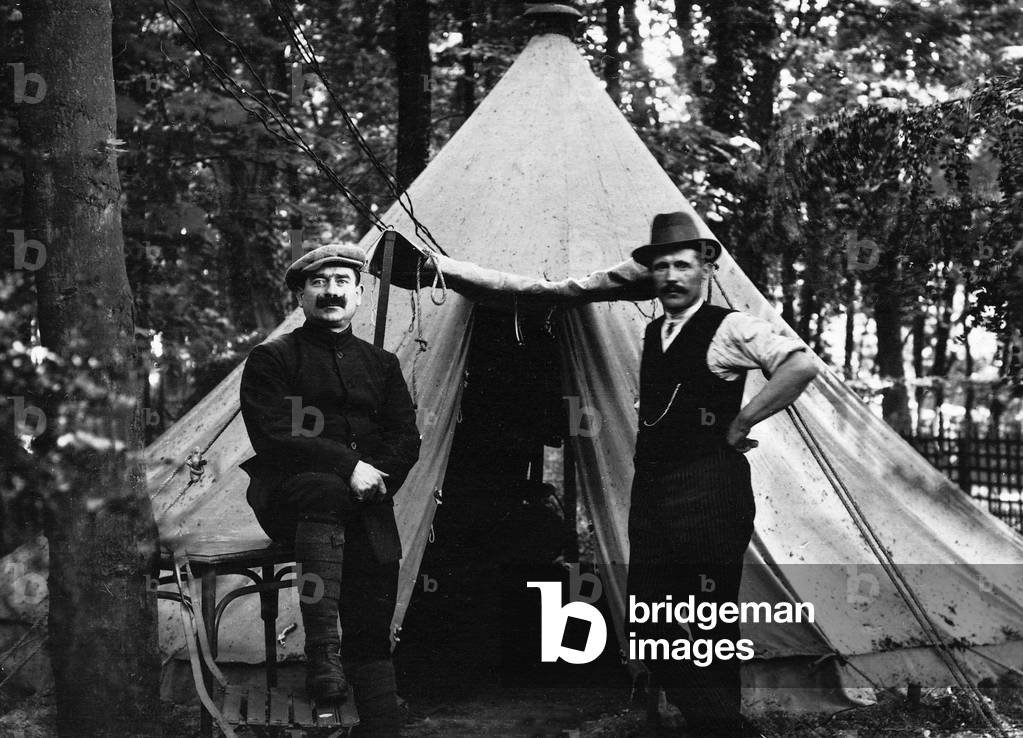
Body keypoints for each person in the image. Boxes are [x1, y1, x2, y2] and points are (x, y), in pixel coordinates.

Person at [627, 211, 818, 736]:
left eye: (682, 265)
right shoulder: (653, 331)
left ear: (706, 269)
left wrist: (742, 421)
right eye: (661, 266)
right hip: (653, 493)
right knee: (650, 615)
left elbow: (801, 365)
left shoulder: (730, 326)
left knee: (705, 616)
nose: (670, 276)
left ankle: (720, 727)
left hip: (709, 491)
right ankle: (712, 722)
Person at [238, 243, 420, 737]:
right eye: (318, 283)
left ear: (359, 294)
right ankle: (321, 655)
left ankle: (381, 726)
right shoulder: (273, 358)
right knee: (323, 489)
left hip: (363, 502)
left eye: (342, 282)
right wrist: (350, 466)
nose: (331, 292)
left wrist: (375, 478)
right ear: (300, 296)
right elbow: (275, 434)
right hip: (290, 495)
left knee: (374, 605)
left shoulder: (382, 364)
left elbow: (406, 438)